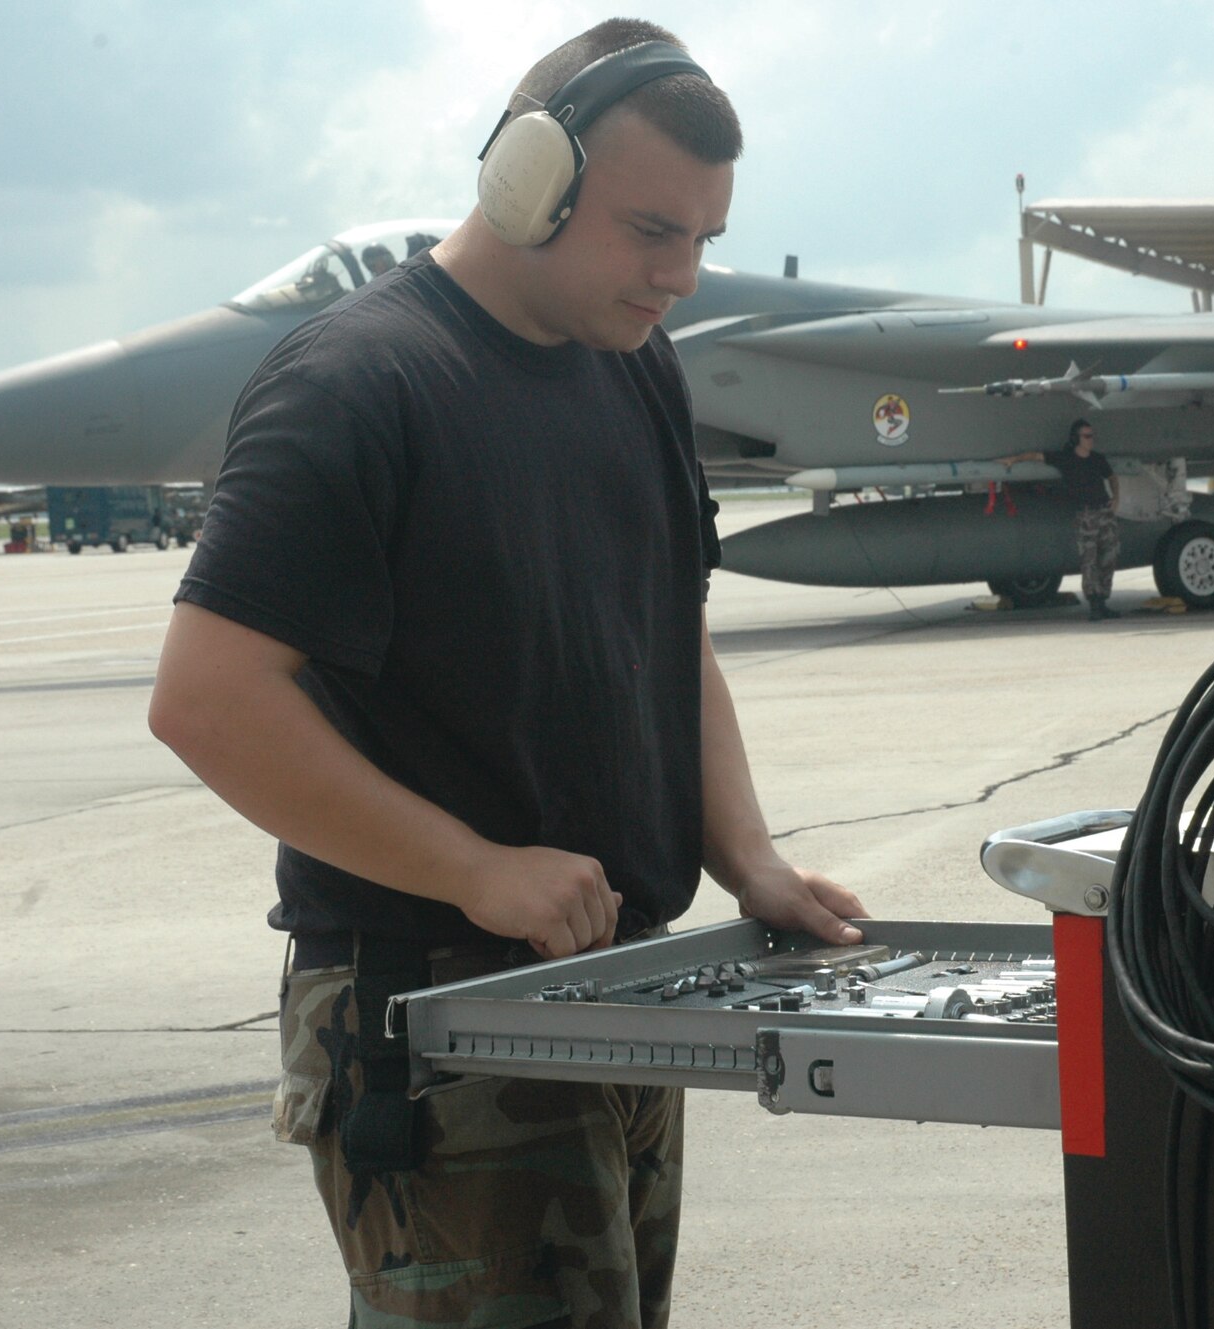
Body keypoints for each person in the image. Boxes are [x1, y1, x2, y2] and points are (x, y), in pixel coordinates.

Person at [147, 20, 864, 1329]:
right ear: (525, 181)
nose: (684, 277)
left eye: (705, 238)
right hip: (435, 1019)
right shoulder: (360, 383)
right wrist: (478, 868)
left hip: (609, 992)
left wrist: (746, 854)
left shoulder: (633, 366)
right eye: (654, 231)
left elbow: (670, 626)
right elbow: (207, 700)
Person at [999, 419, 1121, 620]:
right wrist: (1015, 459)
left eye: (1092, 436)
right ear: (1076, 439)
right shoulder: (1065, 459)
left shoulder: (1098, 459)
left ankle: (1103, 599)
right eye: (1087, 436)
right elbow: (1036, 456)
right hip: (1086, 516)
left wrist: (1116, 498)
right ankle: (1094, 604)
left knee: (1110, 557)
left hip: (1104, 513)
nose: (1091, 440)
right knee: (1089, 561)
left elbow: (1112, 477)